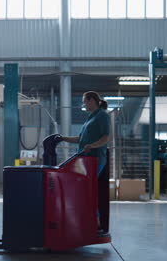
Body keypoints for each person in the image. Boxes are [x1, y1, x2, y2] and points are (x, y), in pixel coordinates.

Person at [60, 91, 111, 230]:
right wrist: (62, 138)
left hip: (95, 160)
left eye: (85, 101)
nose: (84, 104)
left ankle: (97, 222)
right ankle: (89, 219)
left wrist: (92, 146)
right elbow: (80, 139)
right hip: (85, 160)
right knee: (84, 190)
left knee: (88, 190)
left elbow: (106, 137)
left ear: (91, 100)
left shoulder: (102, 116)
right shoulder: (90, 118)